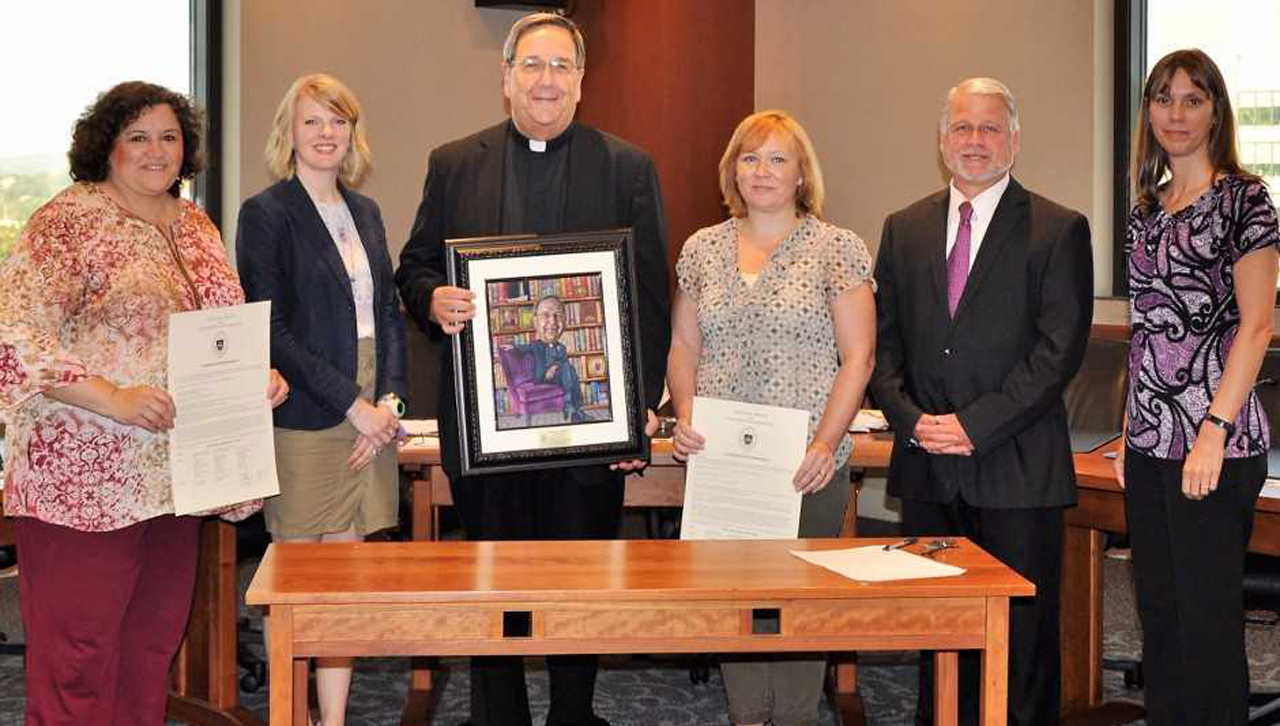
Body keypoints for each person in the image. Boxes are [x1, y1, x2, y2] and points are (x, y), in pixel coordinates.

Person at [395, 12, 669, 726]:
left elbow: (646, 292)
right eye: (533, 65)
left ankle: (572, 715)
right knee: (494, 582)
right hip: (489, 435)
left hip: (588, 433)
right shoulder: (454, 161)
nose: (546, 80)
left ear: (581, 81)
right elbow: (415, 267)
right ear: (506, 75)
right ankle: (499, 718)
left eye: (561, 67)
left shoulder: (627, 166)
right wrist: (436, 299)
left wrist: (639, 403)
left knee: (580, 584)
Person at [0, 81, 288, 726]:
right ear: (107, 147)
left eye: (169, 136)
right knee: (79, 655)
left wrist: (256, 375)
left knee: (150, 645)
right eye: (138, 136)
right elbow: (12, 329)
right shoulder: (69, 220)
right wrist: (111, 396)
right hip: (82, 479)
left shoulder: (194, 224)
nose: (156, 151)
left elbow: (223, 324)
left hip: (173, 473)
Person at [868, 77, 1093, 726]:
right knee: (938, 632)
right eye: (962, 127)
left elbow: (1057, 354)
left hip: (1016, 469)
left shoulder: (1058, 229)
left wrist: (972, 425)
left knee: (1021, 647)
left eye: (990, 128)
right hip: (928, 469)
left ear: (1015, 141)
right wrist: (915, 423)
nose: (975, 140)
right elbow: (884, 350)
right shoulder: (903, 227)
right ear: (942, 141)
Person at [667, 109, 875, 726]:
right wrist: (683, 415)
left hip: (804, 464)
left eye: (778, 158)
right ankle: (745, 716)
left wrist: (824, 444)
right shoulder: (701, 249)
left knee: (796, 605)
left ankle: (793, 718)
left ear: (801, 173)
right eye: (750, 157)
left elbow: (858, 357)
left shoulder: (836, 247)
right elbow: (683, 347)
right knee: (736, 602)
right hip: (722, 461)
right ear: (733, 169)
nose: (762, 171)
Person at [236, 73, 407, 726]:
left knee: (347, 577)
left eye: (338, 120)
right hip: (312, 413)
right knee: (300, 583)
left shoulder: (364, 211)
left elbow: (388, 316)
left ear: (353, 133)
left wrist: (386, 402)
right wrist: (351, 405)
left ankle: (331, 720)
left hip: (371, 407)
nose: (326, 133)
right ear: (290, 133)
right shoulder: (266, 214)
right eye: (313, 121)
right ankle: (291, 714)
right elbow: (271, 328)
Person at [1117, 49, 1279, 726]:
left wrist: (1211, 430)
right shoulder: (1146, 209)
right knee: (1160, 616)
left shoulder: (1245, 199)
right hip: (1150, 441)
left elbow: (1257, 323)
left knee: (1206, 622)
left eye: (1192, 99)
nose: (1175, 113)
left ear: (1216, 110)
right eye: (1163, 99)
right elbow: (1146, 333)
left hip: (1217, 438)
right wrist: (1129, 433)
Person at [505, 295, 588, 423]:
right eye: (545, 315)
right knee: (568, 369)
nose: (553, 321)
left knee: (570, 371)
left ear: (564, 321)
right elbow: (523, 348)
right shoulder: (535, 345)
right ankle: (571, 408)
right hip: (542, 377)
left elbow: (562, 362)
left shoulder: (561, 347)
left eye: (558, 315)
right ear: (535, 322)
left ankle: (575, 409)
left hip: (559, 377)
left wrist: (555, 367)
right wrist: (513, 347)